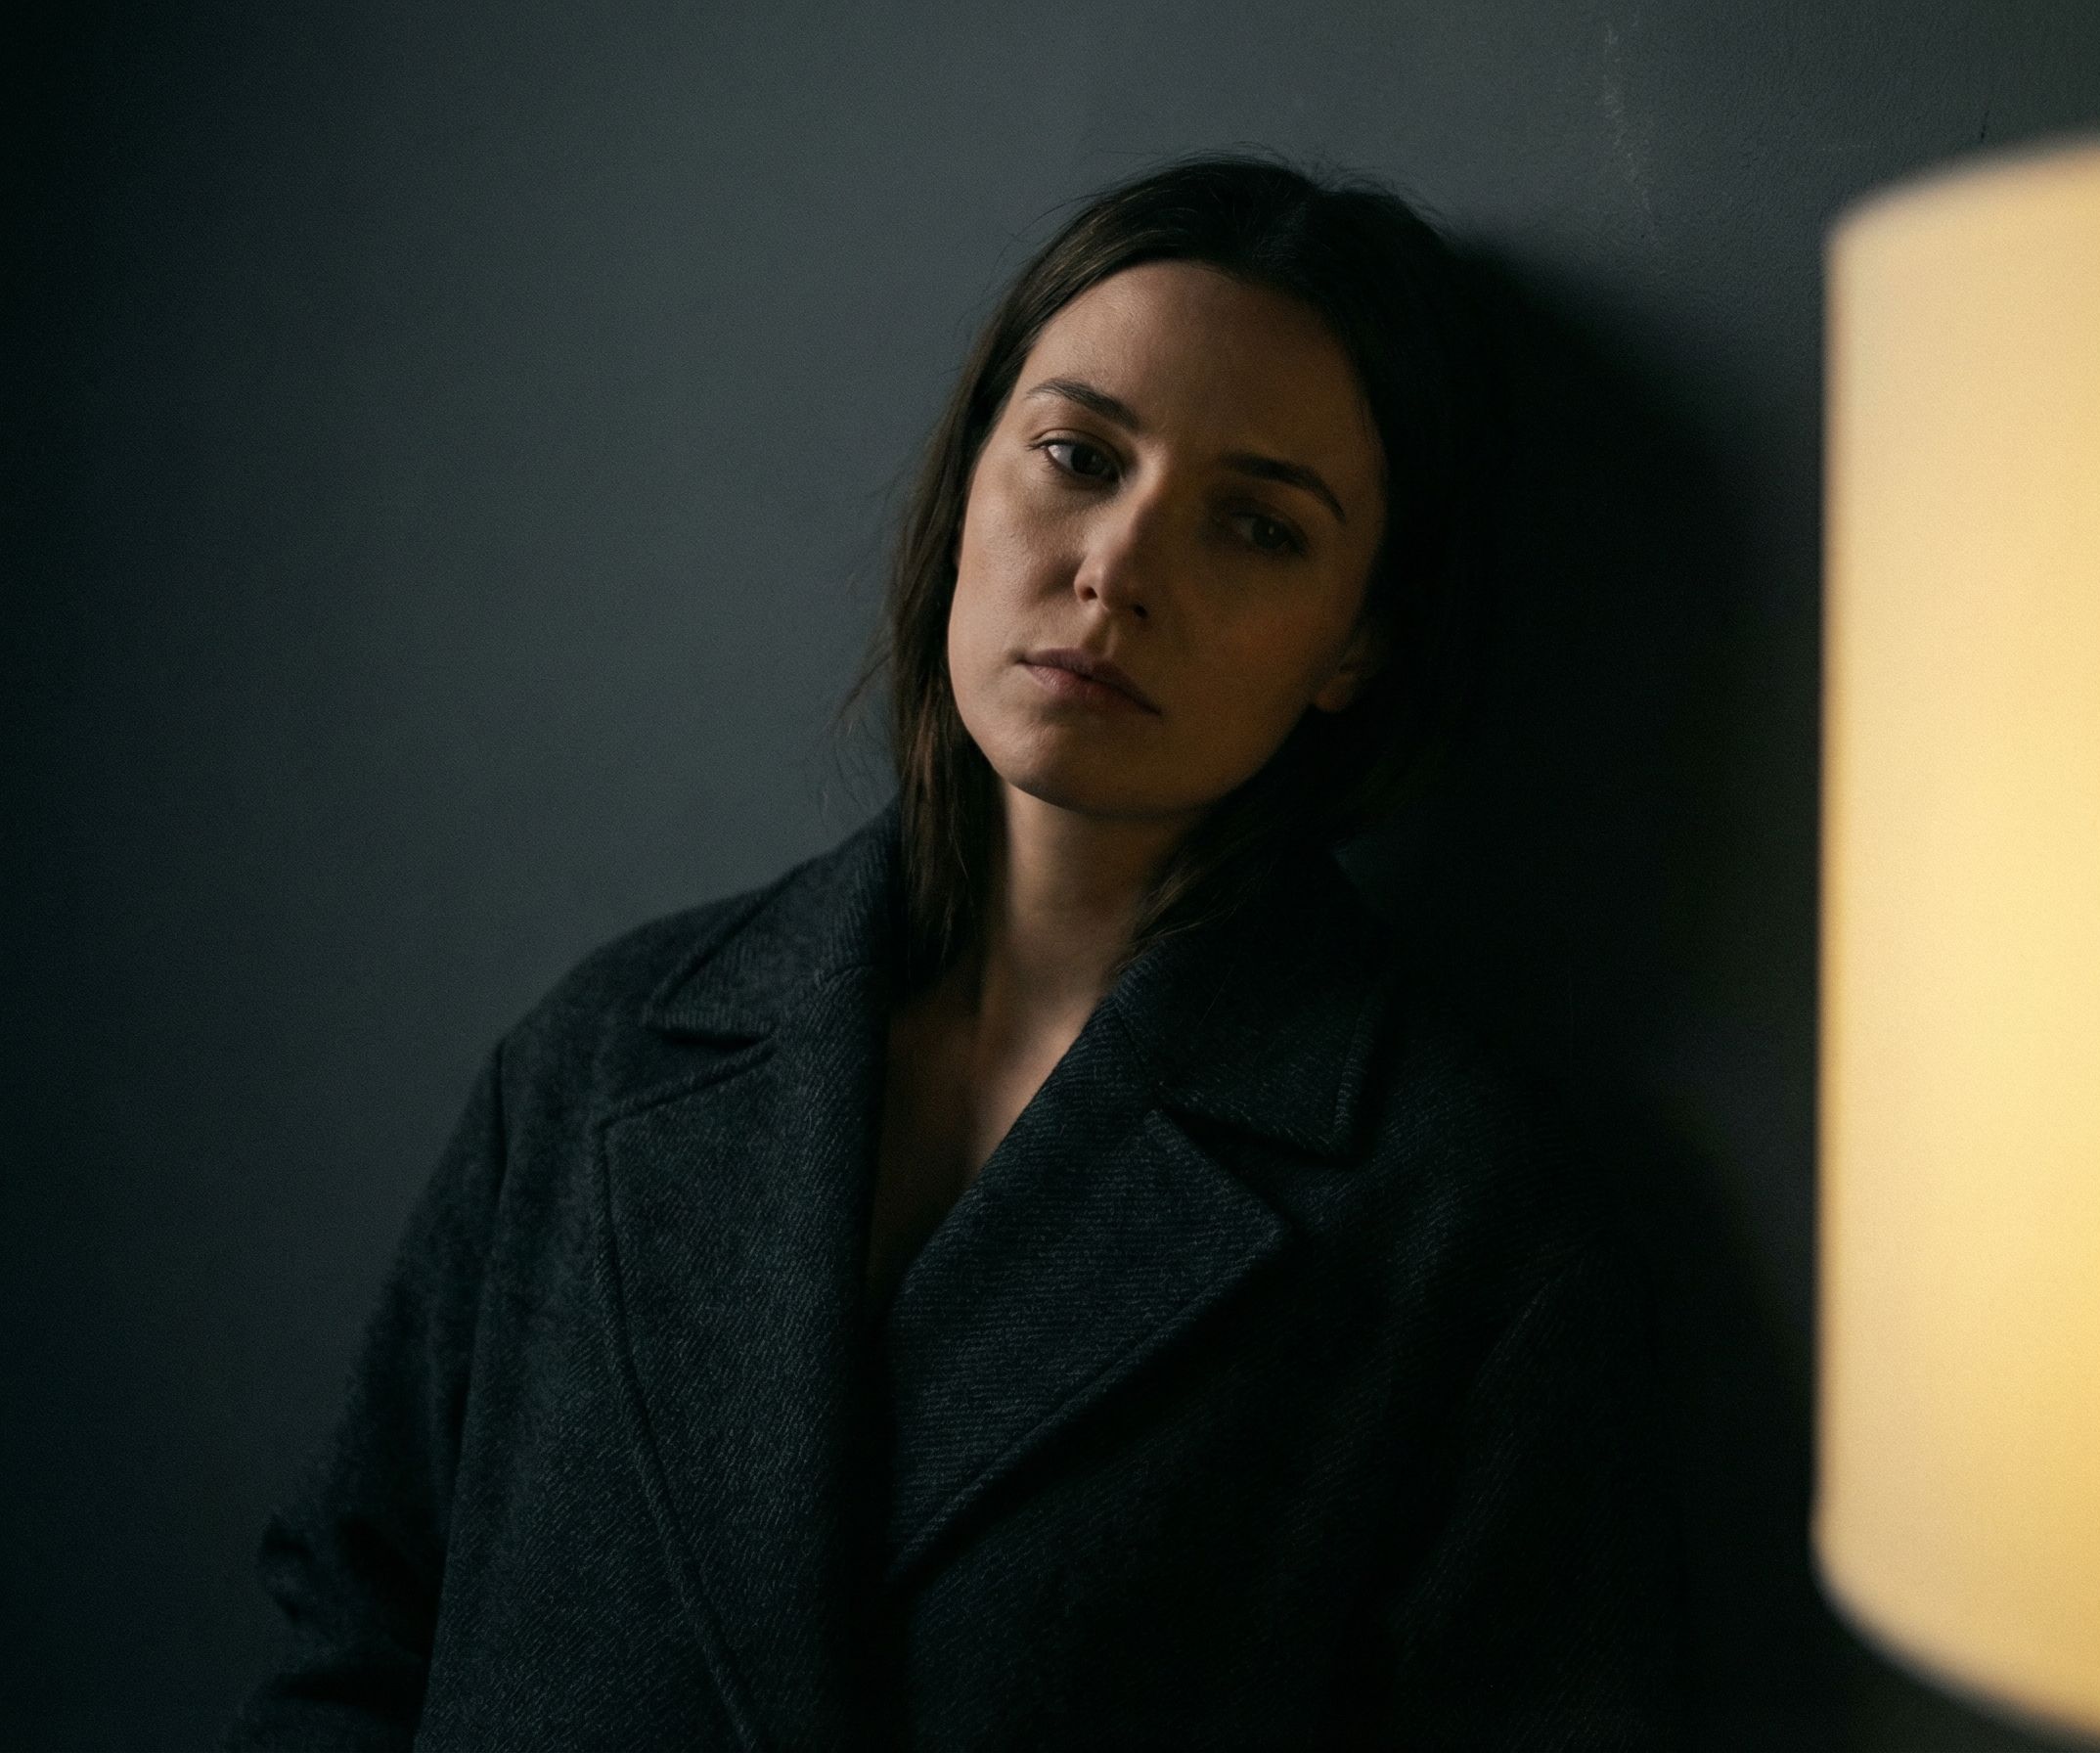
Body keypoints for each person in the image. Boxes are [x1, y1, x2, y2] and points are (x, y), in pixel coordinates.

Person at [224, 150, 1687, 1750]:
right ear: (971, 477)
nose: (1116, 569)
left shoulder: (1457, 1224)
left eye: (1257, 528)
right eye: (1075, 454)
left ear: (1359, 643)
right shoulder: (606, 1058)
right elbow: (357, 1645)